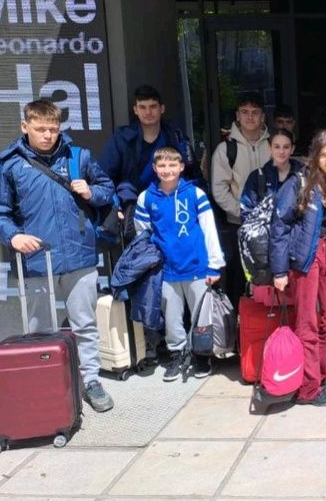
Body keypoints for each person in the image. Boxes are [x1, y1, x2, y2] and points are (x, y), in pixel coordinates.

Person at [0, 99, 116, 412]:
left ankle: (91, 381)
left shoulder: (78, 156)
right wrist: (13, 236)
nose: (47, 135)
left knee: (85, 324)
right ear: (25, 126)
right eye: (40, 128)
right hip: (36, 261)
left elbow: (106, 189)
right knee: (40, 328)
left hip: (79, 256)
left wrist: (91, 192)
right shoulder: (9, 163)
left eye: (53, 129)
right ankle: (46, 384)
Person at [270, 130, 326, 406]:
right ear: (315, 157)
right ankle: (308, 388)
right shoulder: (299, 182)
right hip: (304, 259)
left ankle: (317, 373)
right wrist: (279, 271)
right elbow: (280, 226)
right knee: (306, 324)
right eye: (323, 155)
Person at [134, 147, 225, 381]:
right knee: (172, 317)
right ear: (154, 168)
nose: (167, 170)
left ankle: (202, 356)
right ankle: (177, 354)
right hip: (166, 270)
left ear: (181, 167)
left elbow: (209, 229)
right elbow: (142, 234)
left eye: (172, 165)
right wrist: (150, 263)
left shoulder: (195, 194)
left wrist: (214, 264)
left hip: (197, 267)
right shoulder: (146, 198)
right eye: (162, 166)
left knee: (201, 317)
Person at [100, 84, 202, 242]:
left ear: (162, 109)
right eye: (143, 107)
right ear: (135, 110)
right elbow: (104, 178)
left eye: (153, 106)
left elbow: (193, 176)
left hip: (172, 207)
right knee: (140, 254)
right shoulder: (122, 139)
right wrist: (115, 206)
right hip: (133, 208)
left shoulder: (176, 137)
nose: (148, 112)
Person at [211, 92, 271, 307]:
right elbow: (219, 189)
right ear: (237, 116)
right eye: (245, 112)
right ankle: (240, 324)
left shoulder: (274, 145)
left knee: (270, 279)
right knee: (239, 280)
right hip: (238, 225)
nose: (250, 117)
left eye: (255, 112)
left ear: (263, 116)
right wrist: (242, 212)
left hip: (271, 226)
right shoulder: (227, 149)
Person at [240, 128, 305, 221]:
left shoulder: (304, 176)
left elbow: (310, 215)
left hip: (296, 230)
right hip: (264, 230)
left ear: (292, 149)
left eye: (286, 147)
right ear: (270, 148)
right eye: (277, 147)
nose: (281, 151)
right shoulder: (257, 177)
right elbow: (246, 211)